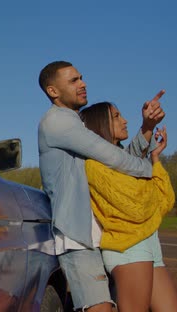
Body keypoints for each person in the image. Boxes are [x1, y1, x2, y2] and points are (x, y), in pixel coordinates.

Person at [37, 60, 164, 311]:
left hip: (102, 234)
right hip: (78, 238)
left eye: (81, 78)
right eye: (73, 81)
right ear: (53, 91)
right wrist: (154, 174)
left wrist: (146, 130)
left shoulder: (76, 123)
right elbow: (113, 157)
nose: (83, 84)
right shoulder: (57, 122)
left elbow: (113, 164)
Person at [80, 102, 177, 312]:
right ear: (100, 125)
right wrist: (151, 186)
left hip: (150, 241)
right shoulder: (94, 165)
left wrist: (155, 159)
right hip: (128, 246)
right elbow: (137, 207)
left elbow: (166, 200)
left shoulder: (122, 161)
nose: (124, 120)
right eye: (116, 116)